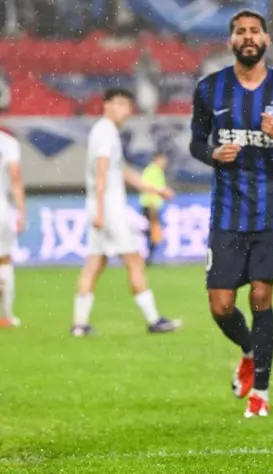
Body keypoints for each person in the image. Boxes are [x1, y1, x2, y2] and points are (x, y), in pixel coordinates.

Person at [189, 10, 273, 418]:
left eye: (254, 31)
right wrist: (212, 153)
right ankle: (248, 351)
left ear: (267, 39)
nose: (248, 37)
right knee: (221, 306)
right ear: (231, 41)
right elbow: (195, 142)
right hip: (228, 212)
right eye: (240, 32)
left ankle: (260, 392)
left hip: (272, 212)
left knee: (261, 296)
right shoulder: (210, 89)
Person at [71, 88, 180, 337]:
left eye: (127, 105)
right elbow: (102, 172)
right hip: (109, 209)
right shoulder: (106, 133)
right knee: (133, 260)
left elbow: (121, 171)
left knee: (95, 263)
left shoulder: (103, 131)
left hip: (100, 207)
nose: (124, 110)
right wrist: (101, 211)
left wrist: (155, 189)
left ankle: (79, 324)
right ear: (106, 105)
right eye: (118, 104)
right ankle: (154, 320)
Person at [0, 127, 24, 328]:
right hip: (1, 209)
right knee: (4, 261)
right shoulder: (8, 143)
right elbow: (15, 180)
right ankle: (5, 316)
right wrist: (21, 212)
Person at [139, 152, 168, 266]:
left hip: (153, 206)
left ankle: (147, 258)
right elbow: (147, 188)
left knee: (152, 233)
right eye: (163, 160)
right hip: (150, 206)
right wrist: (152, 206)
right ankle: (145, 258)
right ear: (157, 159)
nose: (164, 163)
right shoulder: (151, 171)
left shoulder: (158, 171)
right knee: (152, 233)